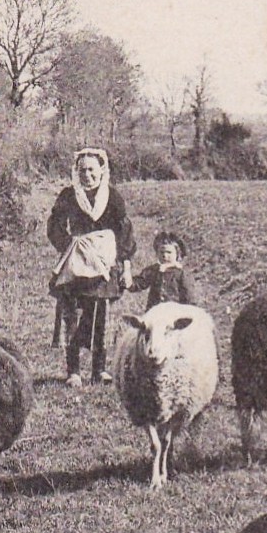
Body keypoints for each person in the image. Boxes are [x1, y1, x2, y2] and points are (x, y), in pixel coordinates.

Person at [48, 148, 136, 387]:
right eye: (82, 170)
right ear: (77, 172)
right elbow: (54, 225)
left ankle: (99, 369)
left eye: (92, 169)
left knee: (101, 316)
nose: (87, 175)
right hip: (77, 264)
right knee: (73, 315)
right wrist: (70, 246)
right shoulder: (69, 196)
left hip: (104, 265)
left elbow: (124, 233)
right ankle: (74, 371)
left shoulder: (112, 197)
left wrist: (125, 266)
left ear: (101, 170)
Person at [127, 231, 197, 308]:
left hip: (174, 313)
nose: (165, 255)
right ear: (157, 253)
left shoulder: (181, 273)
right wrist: (128, 279)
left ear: (177, 254)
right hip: (154, 312)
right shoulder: (153, 270)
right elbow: (139, 283)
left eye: (169, 252)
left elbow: (189, 297)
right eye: (161, 252)